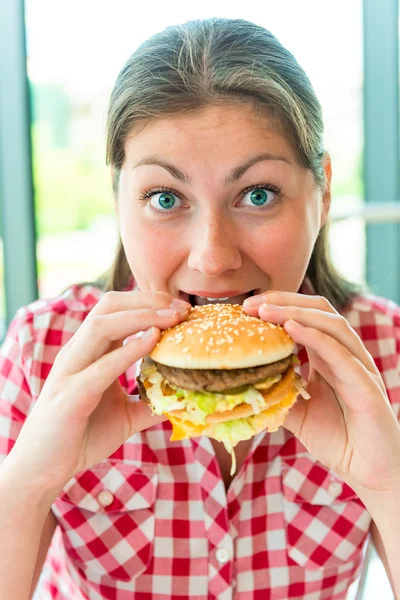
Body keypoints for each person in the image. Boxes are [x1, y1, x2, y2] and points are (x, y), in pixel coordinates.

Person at [1, 17, 400, 600]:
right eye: (165, 198)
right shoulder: (44, 348)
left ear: (324, 191)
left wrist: (390, 483)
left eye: (257, 195)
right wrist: (26, 485)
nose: (213, 257)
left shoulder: (385, 349)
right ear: (118, 199)